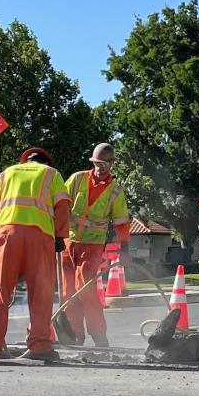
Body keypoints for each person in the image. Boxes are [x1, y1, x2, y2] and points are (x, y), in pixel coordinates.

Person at [0, 146, 70, 364]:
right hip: (41, 237)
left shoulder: (6, 173)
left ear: (25, 161)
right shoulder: (52, 174)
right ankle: (40, 346)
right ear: (46, 163)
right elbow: (62, 206)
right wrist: (60, 235)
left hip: (7, 235)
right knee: (41, 295)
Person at [58, 142, 131, 347]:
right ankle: (75, 336)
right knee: (67, 292)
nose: (100, 168)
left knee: (86, 289)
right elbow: (61, 205)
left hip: (92, 246)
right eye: (97, 163)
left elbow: (121, 222)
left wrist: (124, 249)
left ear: (112, 164)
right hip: (67, 243)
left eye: (105, 164)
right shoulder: (77, 179)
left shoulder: (115, 191)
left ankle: (99, 336)